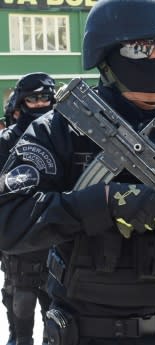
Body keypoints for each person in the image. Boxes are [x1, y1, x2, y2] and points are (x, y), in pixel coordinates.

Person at [0, 1, 155, 344]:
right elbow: (8, 221)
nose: (154, 57)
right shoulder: (61, 127)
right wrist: (102, 204)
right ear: (105, 56)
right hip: (92, 330)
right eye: (140, 47)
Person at [0, 72, 56, 345]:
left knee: (55, 301)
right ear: (21, 103)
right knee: (20, 296)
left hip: (56, 226)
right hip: (20, 231)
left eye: (45, 97)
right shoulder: (7, 140)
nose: (40, 103)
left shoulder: (60, 134)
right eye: (33, 99)